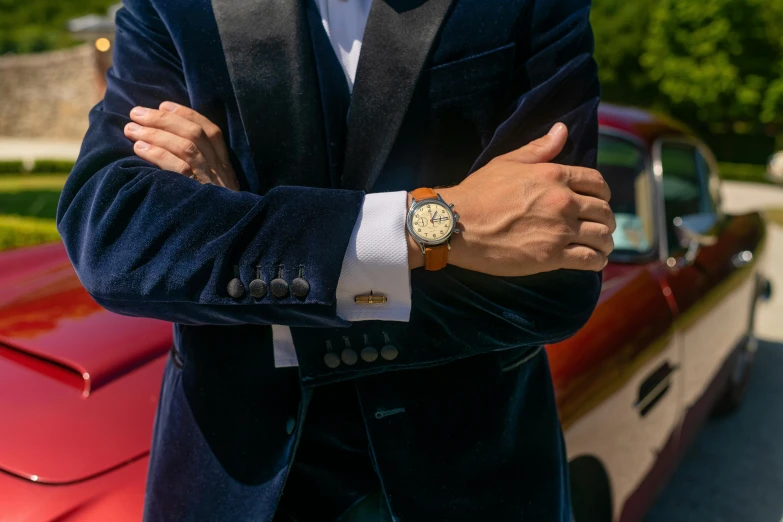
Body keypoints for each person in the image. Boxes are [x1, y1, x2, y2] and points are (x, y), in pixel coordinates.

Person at [56, 0, 615, 520]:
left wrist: (235, 233)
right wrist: (435, 225)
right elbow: (114, 236)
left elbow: (557, 280)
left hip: (477, 479)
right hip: (228, 482)